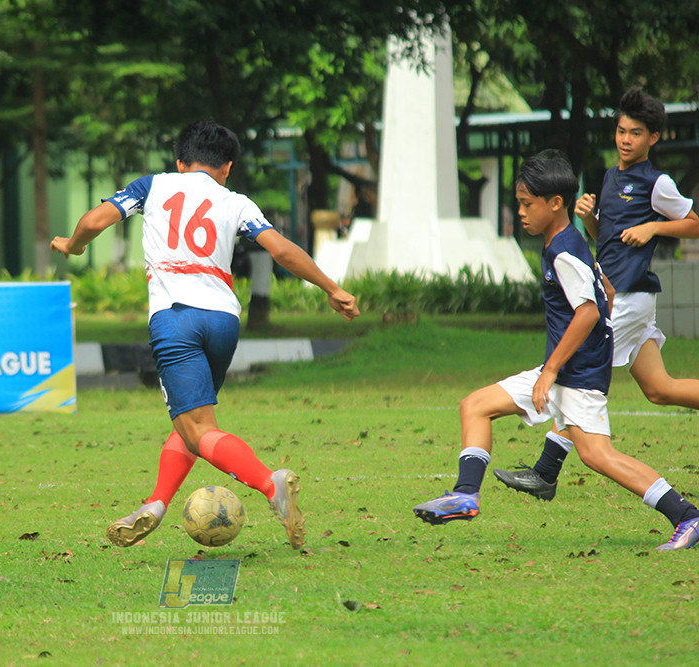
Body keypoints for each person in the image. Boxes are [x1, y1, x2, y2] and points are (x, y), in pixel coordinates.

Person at [51, 120, 359, 550]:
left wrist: (74, 246)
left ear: (180, 162)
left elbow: (95, 219)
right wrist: (333, 288)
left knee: (196, 427)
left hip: (176, 318)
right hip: (223, 320)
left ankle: (271, 486)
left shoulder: (154, 186)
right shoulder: (236, 202)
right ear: (227, 167)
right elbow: (283, 251)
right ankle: (155, 504)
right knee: (194, 423)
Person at [412, 150, 699, 550]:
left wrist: (553, 370)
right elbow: (607, 293)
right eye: (519, 203)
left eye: (527, 204)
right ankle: (465, 495)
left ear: (556, 203)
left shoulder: (564, 250)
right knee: (475, 405)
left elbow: (586, 312)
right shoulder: (569, 245)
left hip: (574, 376)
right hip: (568, 369)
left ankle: (687, 515)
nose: (521, 212)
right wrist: (586, 348)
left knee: (598, 456)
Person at [494, 87, 699, 502]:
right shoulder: (610, 177)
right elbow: (609, 243)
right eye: (622, 131)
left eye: (637, 133)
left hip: (625, 297)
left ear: (653, 139)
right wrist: (590, 222)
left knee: (576, 373)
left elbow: (693, 223)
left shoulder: (656, 182)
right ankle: (546, 471)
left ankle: (545, 471)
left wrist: (654, 227)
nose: (626, 140)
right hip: (618, 291)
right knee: (659, 388)